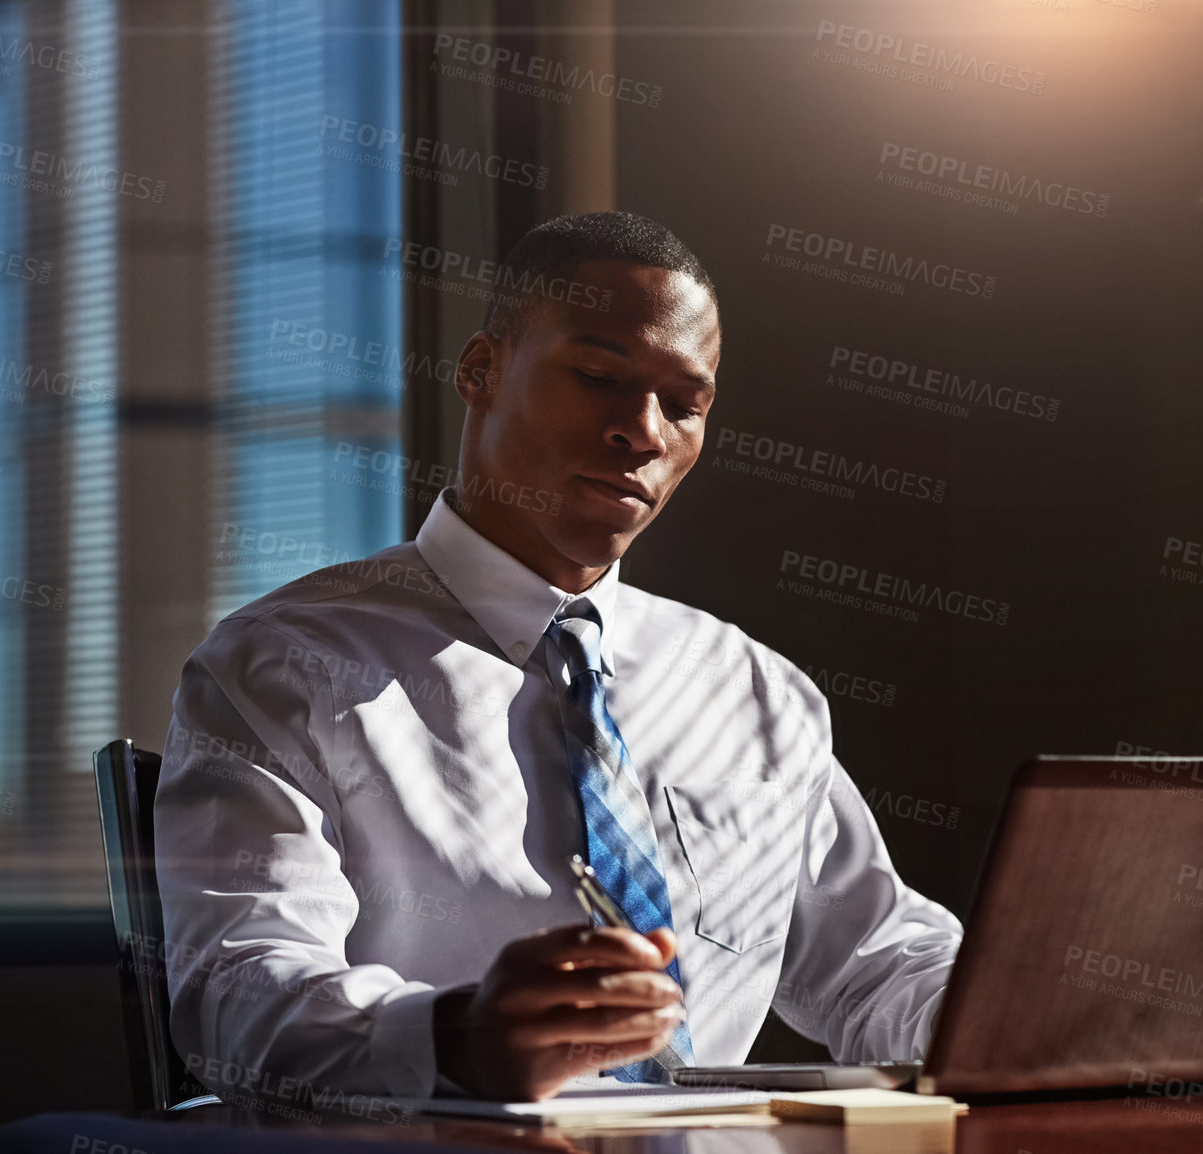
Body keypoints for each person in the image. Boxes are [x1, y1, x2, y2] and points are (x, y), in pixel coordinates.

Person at [154, 211, 961, 1104]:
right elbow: (234, 987)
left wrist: (1045, 1013)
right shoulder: (289, 666)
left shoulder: (755, 692)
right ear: (480, 372)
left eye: (685, 404)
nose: (643, 432)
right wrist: (457, 1040)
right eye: (597, 376)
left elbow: (877, 964)